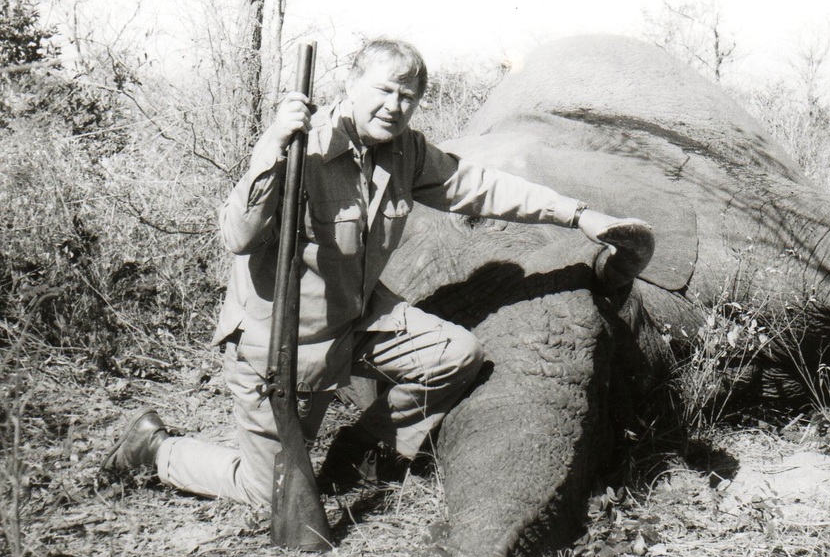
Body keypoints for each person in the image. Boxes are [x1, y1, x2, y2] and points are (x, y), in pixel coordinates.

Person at [102, 38, 651, 508]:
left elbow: (484, 187)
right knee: (271, 494)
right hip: (278, 348)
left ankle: (361, 447)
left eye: (408, 96)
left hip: (356, 321)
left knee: (456, 356)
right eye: (384, 90)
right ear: (351, 83)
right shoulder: (301, 149)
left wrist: (581, 215)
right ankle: (156, 450)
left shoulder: (404, 152)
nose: (395, 105)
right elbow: (238, 237)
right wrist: (270, 145)